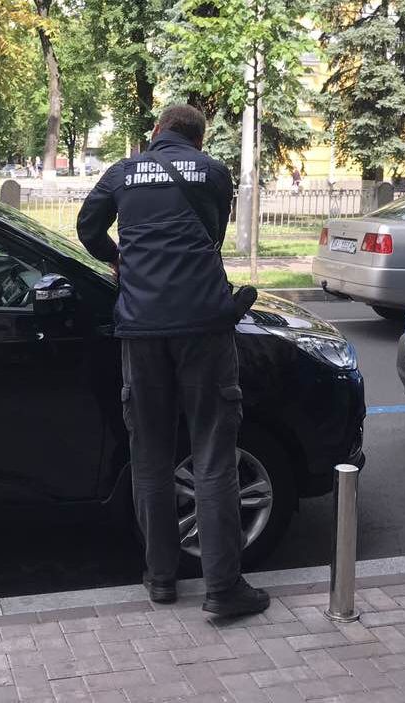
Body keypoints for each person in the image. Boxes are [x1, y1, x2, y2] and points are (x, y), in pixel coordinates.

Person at [75, 104, 270, 617]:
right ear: (199, 140)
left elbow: (87, 229)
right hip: (204, 327)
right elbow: (212, 236)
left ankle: (160, 578)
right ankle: (223, 588)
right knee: (213, 455)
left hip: (141, 330)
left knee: (150, 457)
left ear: (157, 131)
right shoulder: (213, 173)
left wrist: (119, 258)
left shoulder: (122, 172)